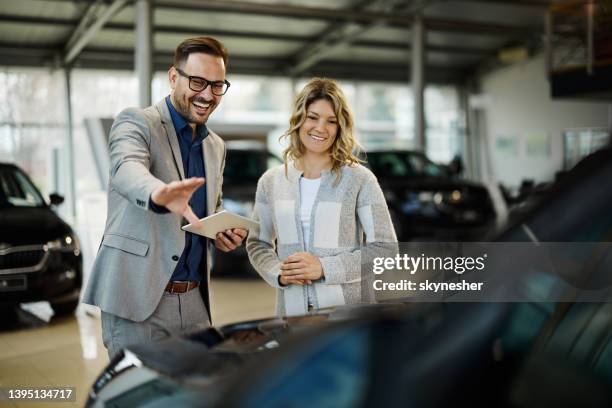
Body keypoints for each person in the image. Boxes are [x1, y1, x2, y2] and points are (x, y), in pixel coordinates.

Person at [83, 37, 247, 359]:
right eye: (198, 82)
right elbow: (127, 169)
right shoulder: (137, 122)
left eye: (217, 85)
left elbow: (209, 207)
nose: (207, 95)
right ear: (174, 77)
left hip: (196, 301)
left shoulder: (216, 146)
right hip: (138, 300)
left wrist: (221, 232)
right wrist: (158, 194)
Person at [246, 78, 397, 316]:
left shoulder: (359, 180)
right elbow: (258, 244)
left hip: (348, 316)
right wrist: (279, 273)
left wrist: (324, 268)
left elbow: (386, 249)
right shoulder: (271, 181)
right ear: (298, 119)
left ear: (340, 127)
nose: (321, 128)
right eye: (312, 117)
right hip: (292, 315)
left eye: (331, 121)